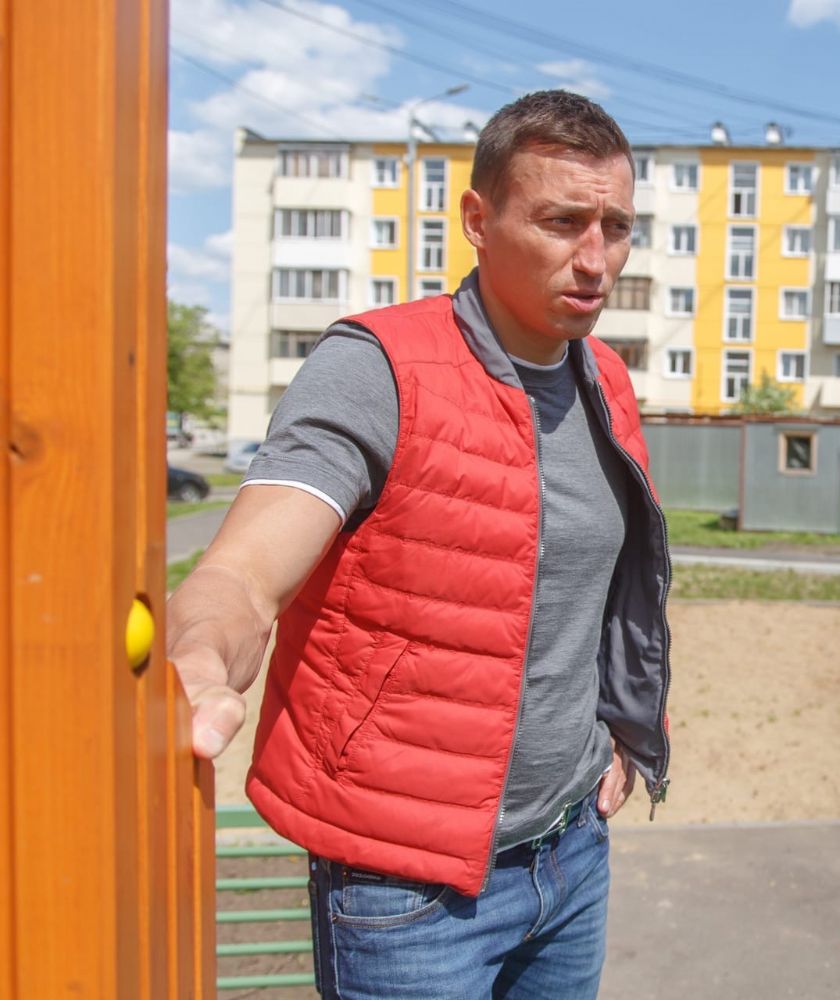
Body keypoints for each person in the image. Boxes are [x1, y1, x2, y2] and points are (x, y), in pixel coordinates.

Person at [167, 90, 671, 999]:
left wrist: (628, 728)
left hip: (571, 855)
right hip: (407, 893)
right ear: (477, 219)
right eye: (562, 222)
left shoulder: (605, 377)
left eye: (617, 228)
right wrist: (202, 654)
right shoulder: (376, 368)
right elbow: (243, 574)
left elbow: (606, 590)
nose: (596, 259)